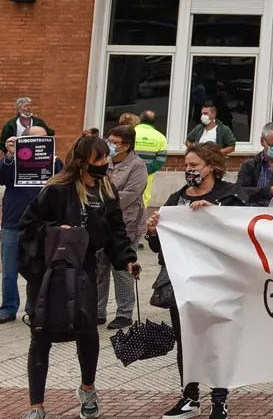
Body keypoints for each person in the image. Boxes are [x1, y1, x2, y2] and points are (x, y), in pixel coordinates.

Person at [17, 132, 142, 419]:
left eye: (106, 158)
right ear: (83, 162)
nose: (106, 163)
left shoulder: (106, 190)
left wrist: (128, 260)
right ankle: (36, 405)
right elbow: (27, 226)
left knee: (86, 331)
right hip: (50, 272)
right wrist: (56, 231)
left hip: (85, 270)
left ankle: (88, 388)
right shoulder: (57, 190)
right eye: (100, 159)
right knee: (41, 333)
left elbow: (116, 232)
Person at [151, 143, 242, 419]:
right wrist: (154, 231)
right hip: (182, 281)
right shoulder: (177, 198)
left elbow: (243, 233)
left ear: (211, 166)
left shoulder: (229, 196)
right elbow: (159, 248)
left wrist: (215, 214)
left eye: (194, 166)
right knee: (186, 339)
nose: (189, 171)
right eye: (187, 166)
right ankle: (189, 397)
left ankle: (219, 399)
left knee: (216, 339)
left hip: (218, 280)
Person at [0, 127, 47, 325]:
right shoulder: (13, 160)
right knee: (9, 271)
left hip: (40, 225)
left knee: (37, 269)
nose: (40, 143)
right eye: (35, 139)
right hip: (13, 222)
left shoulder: (53, 161)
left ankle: (34, 308)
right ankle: (8, 308)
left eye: (44, 139)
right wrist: (9, 154)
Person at [95, 125, 146, 330]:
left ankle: (124, 313)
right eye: (109, 140)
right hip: (101, 224)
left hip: (127, 225)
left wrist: (101, 203)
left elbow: (129, 195)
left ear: (126, 145)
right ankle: (97, 311)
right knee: (99, 268)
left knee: (122, 269)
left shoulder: (137, 166)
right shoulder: (103, 161)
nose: (110, 145)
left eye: (114, 142)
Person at [132, 111, 168, 206]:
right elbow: (161, 160)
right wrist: (146, 170)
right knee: (144, 197)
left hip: (128, 172)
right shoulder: (160, 137)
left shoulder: (130, 133)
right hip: (147, 174)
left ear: (140, 119)